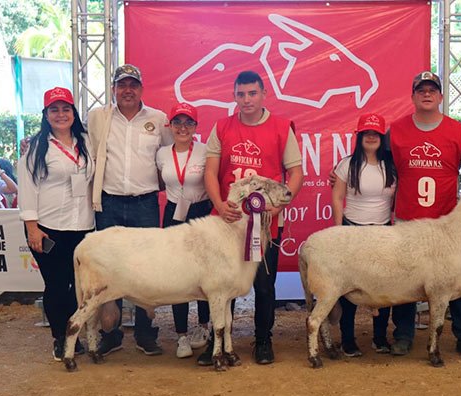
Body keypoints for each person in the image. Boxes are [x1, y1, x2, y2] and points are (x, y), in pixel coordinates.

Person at [385, 71, 461, 360]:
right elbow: (383, 173)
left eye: (432, 90)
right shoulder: (395, 131)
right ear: (412, 96)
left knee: (458, 278)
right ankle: (403, 335)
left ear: (440, 96)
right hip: (409, 219)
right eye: (420, 89)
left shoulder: (457, 131)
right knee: (405, 278)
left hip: (449, 223)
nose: (426, 94)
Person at [203, 70, 303, 365]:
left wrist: (280, 206)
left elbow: (296, 173)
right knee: (221, 284)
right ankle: (217, 340)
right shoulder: (222, 127)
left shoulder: (282, 127)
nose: (246, 99)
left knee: (263, 284)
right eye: (241, 94)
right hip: (229, 220)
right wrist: (220, 204)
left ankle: (263, 339)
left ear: (263, 94)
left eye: (252, 93)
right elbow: (210, 171)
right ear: (234, 95)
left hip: (265, 223)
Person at [87, 64, 173, 357]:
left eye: (132, 85)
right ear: (113, 89)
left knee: (146, 268)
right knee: (109, 268)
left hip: (145, 203)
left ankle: (146, 334)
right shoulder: (98, 117)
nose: (127, 90)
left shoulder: (159, 119)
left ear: (141, 90)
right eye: (121, 85)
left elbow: (171, 158)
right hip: (108, 202)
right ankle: (110, 334)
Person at [18, 87, 94, 361]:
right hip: (47, 228)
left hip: (82, 227)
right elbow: (27, 188)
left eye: (66, 109)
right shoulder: (36, 147)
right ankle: (60, 338)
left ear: (73, 112)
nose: (61, 114)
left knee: (78, 285)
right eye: (54, 109)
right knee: (56, 285)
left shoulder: (86, 142)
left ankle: (73, 333)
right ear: (46, 114)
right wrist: (32, 228)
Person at [331, 113, 396, 356]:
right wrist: (339, 231)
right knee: (350, 289)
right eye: (366, 133)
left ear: (381, 136)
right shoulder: (347, 164)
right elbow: (337, 197)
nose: (371, 137)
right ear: (359, 137)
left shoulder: (391, 164)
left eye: (375, 133)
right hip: (353, 231)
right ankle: (348, 340)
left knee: (384, 287)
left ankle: (380, 338)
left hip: (383, 233)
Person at [156, 102, 212, 358]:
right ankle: (181, 335)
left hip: (200, 214)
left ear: (196, 127)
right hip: (173, 216)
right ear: (170, 126)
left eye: (188, 123)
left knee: (202, 273)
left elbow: (215, 181)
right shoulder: (162, 154)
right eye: (177, 122)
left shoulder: (205, 151)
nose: (183, 128)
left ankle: (203, 327)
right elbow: (158, 180)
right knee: (178, 275)